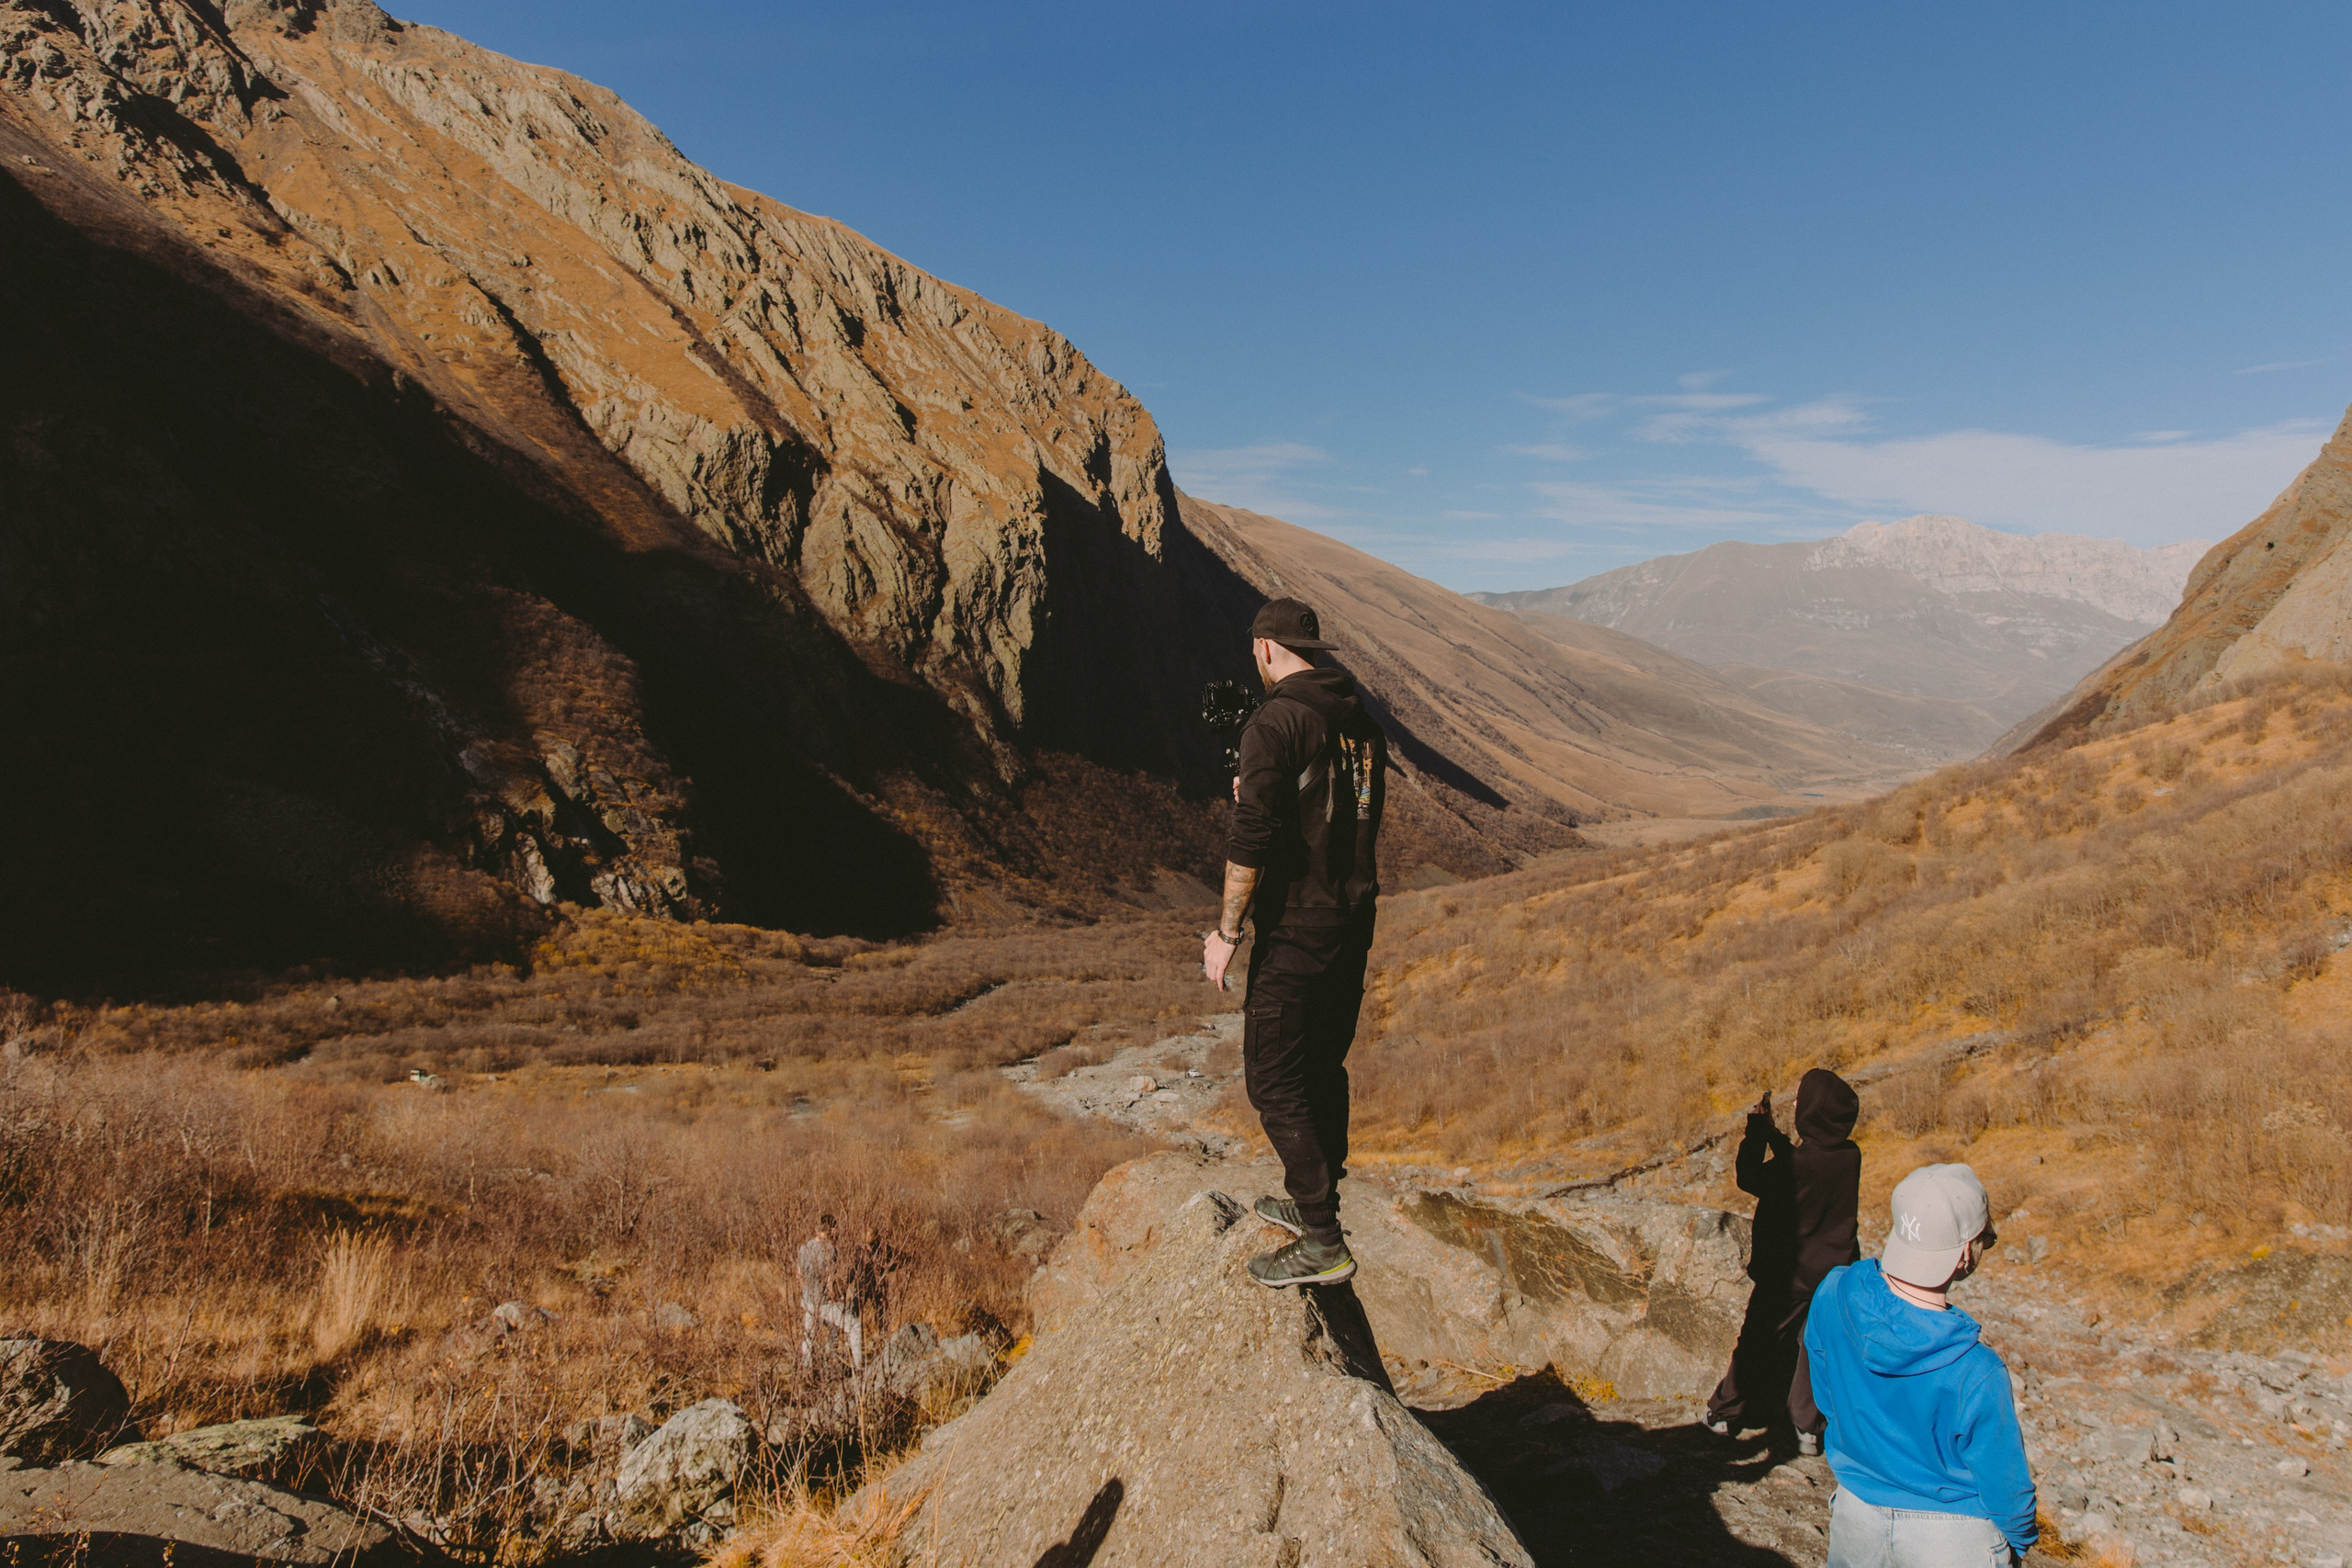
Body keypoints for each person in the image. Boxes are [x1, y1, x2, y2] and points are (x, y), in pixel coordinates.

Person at [1201, 598, 1387, 1290]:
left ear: (1265, 648)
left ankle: (1323, 1241)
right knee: (1320, 1066)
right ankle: (1314, 1201)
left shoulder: (1274, 721)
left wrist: (1227, 932)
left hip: (1298, 927)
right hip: (1352, 918)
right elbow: (1342, 812)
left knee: (1274, 1078)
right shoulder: (1360, 720)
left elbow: (1249, 838)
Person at [1805, 1163, 2036, 1566]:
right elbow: (2004, 1482)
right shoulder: (1977, 1370)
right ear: (1965, 1252)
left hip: (1856, 1513)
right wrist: (2020, 1540)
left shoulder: (1833, 1293)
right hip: (1953, 1540)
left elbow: (1828, 1397)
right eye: (1986, 1238)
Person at [1705, 1067, 1862, 1454]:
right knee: (1813, 1350)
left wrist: (1757, 1132)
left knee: (1757, 1340)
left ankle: (1724, 1411)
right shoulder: (1849, 1157)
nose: (1795, 1104)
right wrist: (1776, 1135)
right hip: (1833, 1275)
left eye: (1799, 1099)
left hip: (1787, 1276)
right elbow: (1804, 1161)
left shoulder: (1793, 1169)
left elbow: (1749, 1177)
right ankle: (1807, 1428)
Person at [797, 1213, 863, 1371]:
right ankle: (859, 1367)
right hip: (823, 1302)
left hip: (807, 1300)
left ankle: (807, 1369)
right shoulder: (830, 1250)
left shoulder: (804, 1248)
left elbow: (799, 1275)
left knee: (808, 1335)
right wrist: (836, 1299)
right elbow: (829, 1281)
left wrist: (808, 1293)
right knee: (854, 1327)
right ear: (831, 1230)